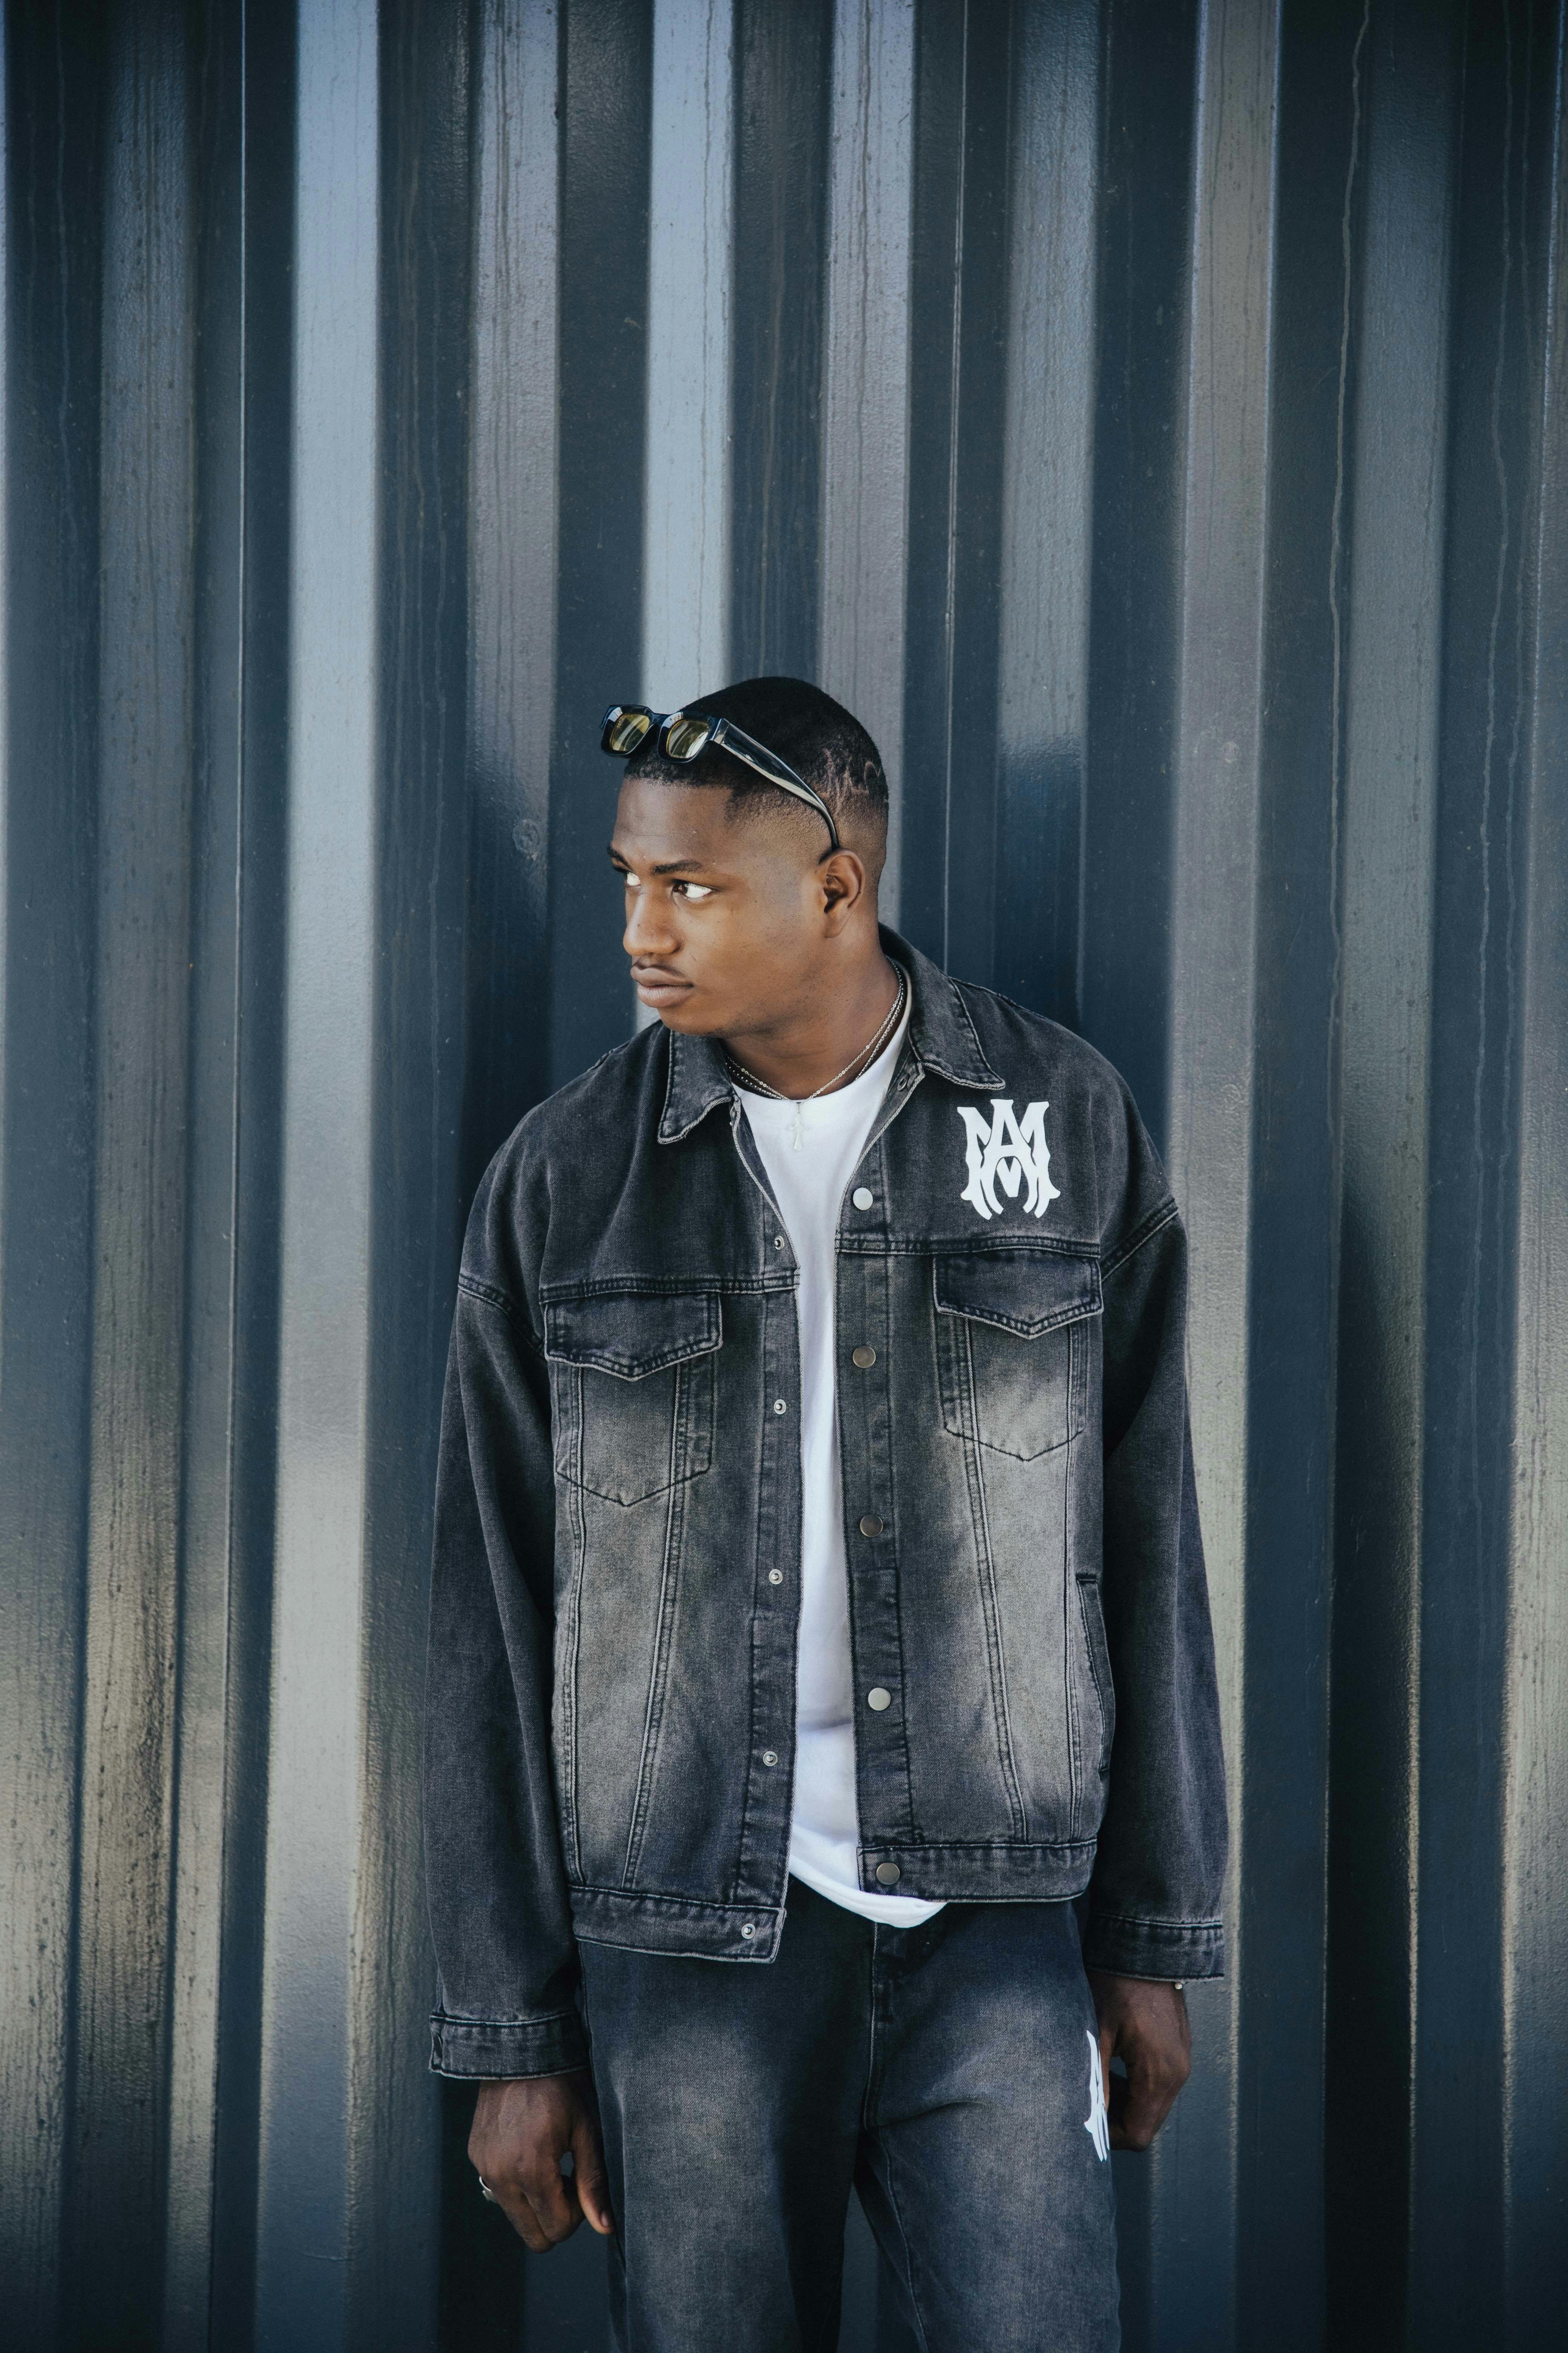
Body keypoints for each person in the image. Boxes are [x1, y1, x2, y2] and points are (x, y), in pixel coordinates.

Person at [423, 676, 1227, 2352]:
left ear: (836, 888)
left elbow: (1143, 1549)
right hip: (694, 1937)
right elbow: (492, 1618)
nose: (642, 930)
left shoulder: (1058, 1125)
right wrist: (509, 2033)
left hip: (993, 1927)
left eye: (691, 887)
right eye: (629, 883)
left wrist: (1148, 1936)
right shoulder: (566, 1179)